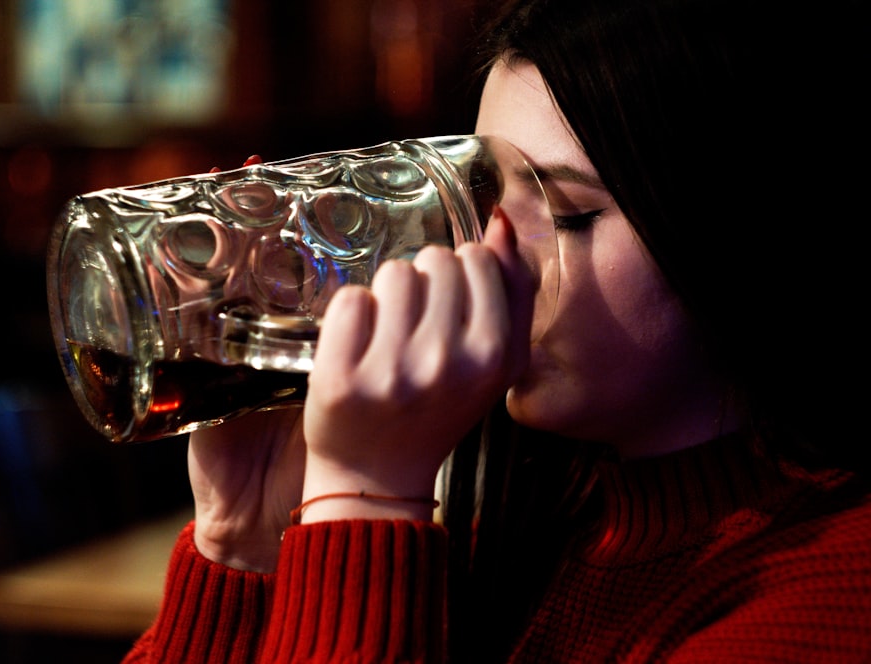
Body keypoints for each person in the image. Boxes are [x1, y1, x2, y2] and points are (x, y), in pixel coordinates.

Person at [123, 0, 870, 661]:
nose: (489, 252)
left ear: (741, 235)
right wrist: (243, 538)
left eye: (572, 215)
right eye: (485, 200)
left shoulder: (830, 593)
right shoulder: (524, 538)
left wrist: (367, 494)